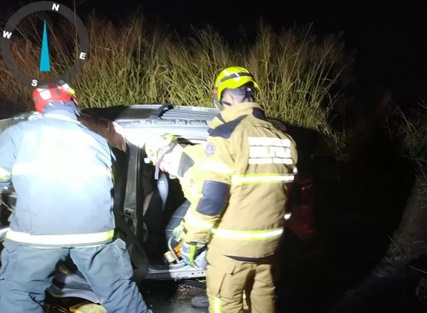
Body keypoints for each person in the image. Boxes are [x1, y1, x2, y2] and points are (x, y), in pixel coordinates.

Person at [145, 66, 299, 313]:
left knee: (226, 305)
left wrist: (192, 241)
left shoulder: (226, 136)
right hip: (270, 247)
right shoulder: (283, 139)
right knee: (263, 301)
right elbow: (286, 197)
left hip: (232, 251)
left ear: (220, 96)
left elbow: (212, 200)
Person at [0, 81, 152, 313]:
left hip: (37, 236)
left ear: (40, 107)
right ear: (74, 103)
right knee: (118, 293)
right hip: (96, 235)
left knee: (20, 295)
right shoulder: (98, 140)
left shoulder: (18, 134)